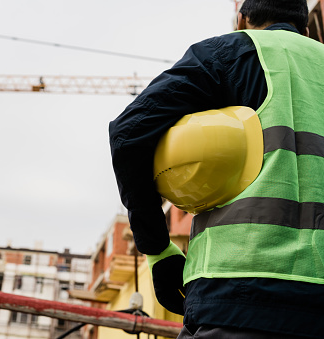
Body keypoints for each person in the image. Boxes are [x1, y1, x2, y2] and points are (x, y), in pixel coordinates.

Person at [109, 0, 324, 338]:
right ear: (307, 30)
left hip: (237, 294)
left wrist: (158, 250)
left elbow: (129, 134)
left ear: (243, 19)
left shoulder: (228, 52)